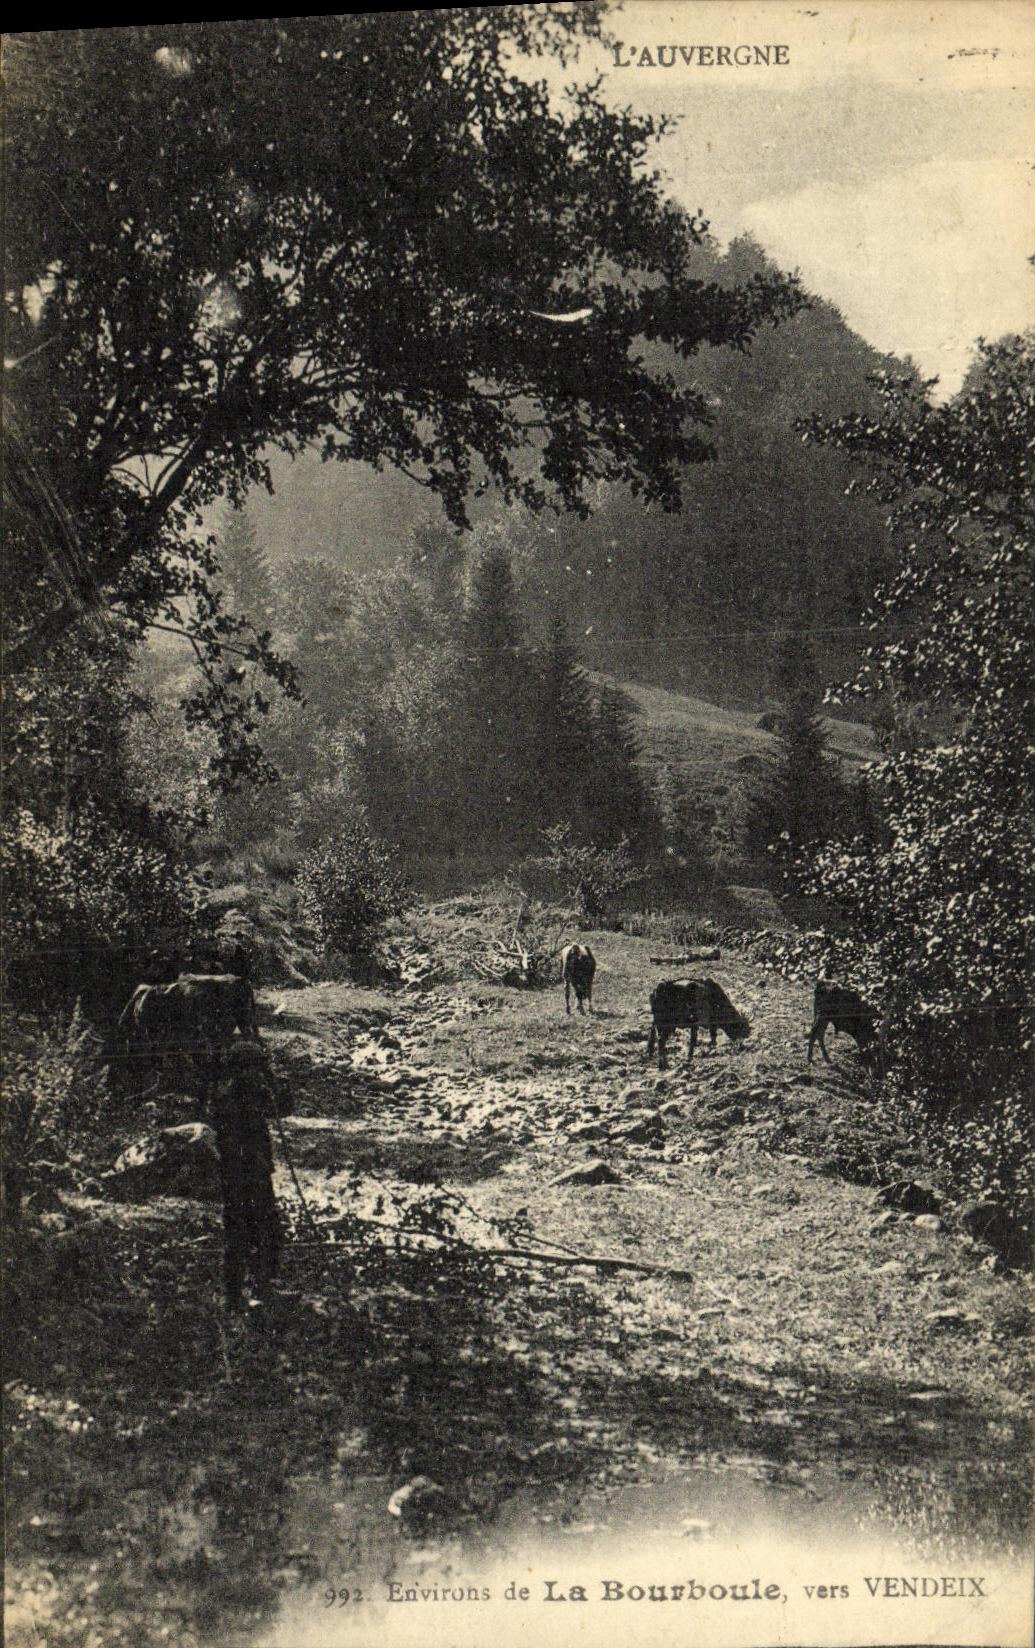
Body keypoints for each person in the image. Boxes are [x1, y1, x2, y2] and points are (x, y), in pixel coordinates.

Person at [208, 1039, 283, 1310]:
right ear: (242, 1069)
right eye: (254, 1068)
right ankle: (240, 1294)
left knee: (264, 1232)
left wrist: (270, 1083)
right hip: (242, 1176)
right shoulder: (231, 1099)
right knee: (246, 1234)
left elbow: (285, 1106)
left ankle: (257, 1289)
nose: (257, 1074)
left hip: (252, 1174)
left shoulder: (246, 1093)